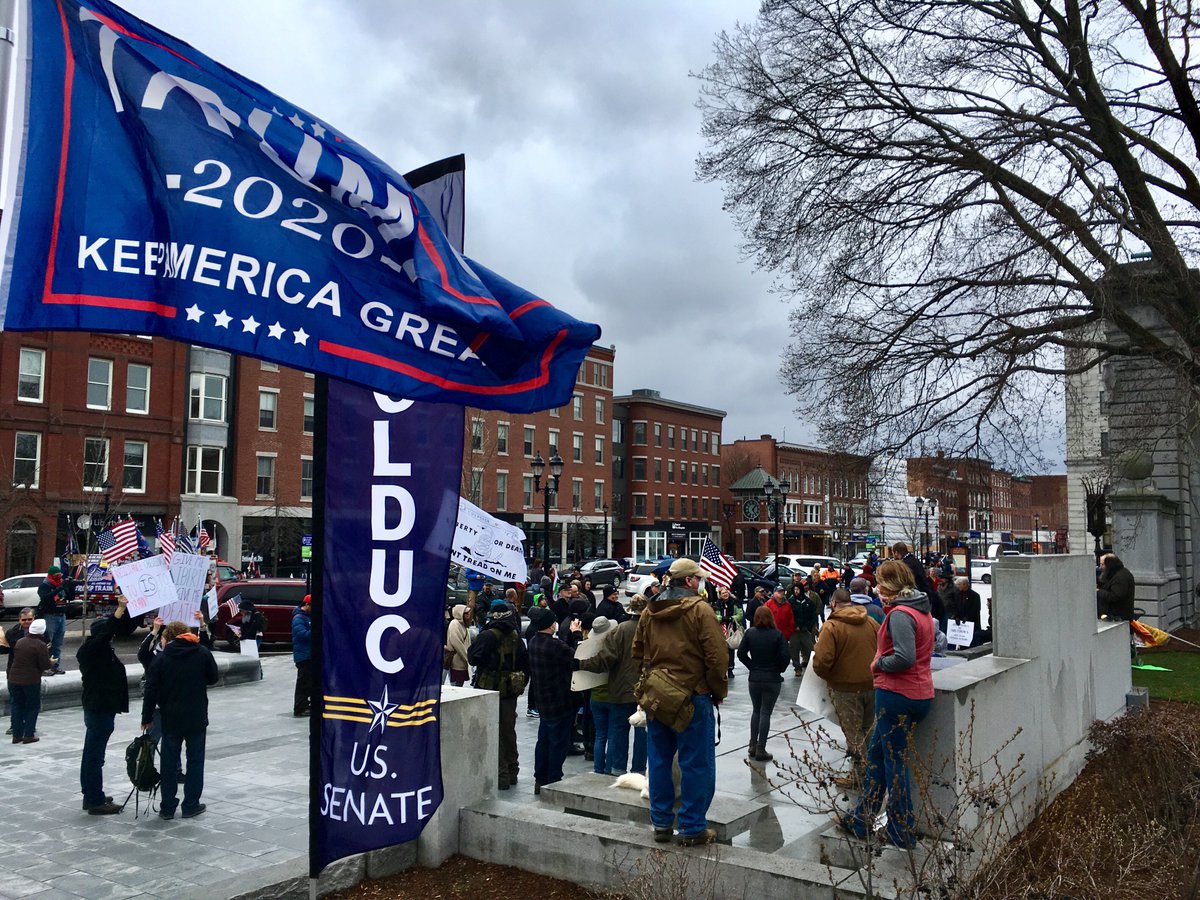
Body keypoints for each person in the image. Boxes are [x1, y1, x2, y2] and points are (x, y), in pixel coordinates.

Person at [632, 557, 728, 847]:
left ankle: (661, 822)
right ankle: (691, 827)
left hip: (657, 697)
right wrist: (717, 691)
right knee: (696, 763)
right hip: (693, 696)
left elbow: (637, 652)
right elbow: (717, 657)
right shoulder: (700, 610)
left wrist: (653, 680)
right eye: (697, 578)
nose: (700, 583)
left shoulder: (650, 610)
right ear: (688, 581)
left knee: (659, 759)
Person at [840, 559, 935, 849]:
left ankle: (900, 829)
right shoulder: (922, 610)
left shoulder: (899, 615)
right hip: (918, 693)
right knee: (878, 757)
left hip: (897, 695)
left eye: (880, 583)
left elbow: (904, 657)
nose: (876, 588)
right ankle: (861, 818)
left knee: (894, 764)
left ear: (892, 585)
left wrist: (878, 663)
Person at [142, 620, 220, 819]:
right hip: (196, 715)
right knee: (195, 761)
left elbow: (151, 689)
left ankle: (167, 807)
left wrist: (147, 716)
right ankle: (191, 805)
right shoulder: (201, 652)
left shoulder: (162, 657)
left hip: (171, 717)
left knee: (168, 763)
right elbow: (213, 678)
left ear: (168, 637)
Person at [812, 588, 880, 787]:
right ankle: (870, 773)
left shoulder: (831, 626)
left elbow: (822, 661)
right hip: (872, 684)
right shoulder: (871, 622)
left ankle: (863, 777)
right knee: (867, 730)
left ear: (833, 603)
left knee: (854, 734)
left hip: (845, 689)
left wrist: (828, 677)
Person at [576, 596, 645, 775]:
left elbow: (605, 659)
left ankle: (617, 770)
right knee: (643, 734)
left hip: (621, 690)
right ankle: (638, 771)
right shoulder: (654, 630)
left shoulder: (621, 630)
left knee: (619, 732)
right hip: (646, 691)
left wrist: (581, 664)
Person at [77, 596, 131, 815]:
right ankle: (94, 800)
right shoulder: (93, 650)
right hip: (99, 709)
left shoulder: (99, 650)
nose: (112, 638)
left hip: (103, 708)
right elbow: (107, 632)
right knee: (94, 757)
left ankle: (91, 794)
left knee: (92, 755)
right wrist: (119, 609)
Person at [468, 599, 529, 791]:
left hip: (489, 691)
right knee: (509, 731)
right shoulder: (515, 637)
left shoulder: (487, 636)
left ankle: (501, 775)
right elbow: (525, 665)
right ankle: (513, 772)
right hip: (510, 692)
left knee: (495, 732)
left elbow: (473, 658)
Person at [527, 605, 583, 792]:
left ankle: (540, 779)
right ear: (551, 625)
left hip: (544, 701)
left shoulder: (535, 642)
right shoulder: (553, 645)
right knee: (558, 742)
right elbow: (576, 657)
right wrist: (576, 635)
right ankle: (553, 779)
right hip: (560, 701)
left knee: (543, 740)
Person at [736, 605, 790, 762]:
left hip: (755, 677)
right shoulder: (777, 635)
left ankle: (752, 745)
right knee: (766, 713)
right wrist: (778, 669)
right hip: (772, 678)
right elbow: (785, 656)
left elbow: (740, 653)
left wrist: (751, 666)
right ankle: (761, 748)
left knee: (756, 711)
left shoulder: (750, 633)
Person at [9, 617, 52, 743]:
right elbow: (45, 666)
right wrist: (51, 662)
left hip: (13, 678)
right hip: (30, 680)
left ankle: (16, 735)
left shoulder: (20, 641)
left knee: (17, 705)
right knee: (32, 707)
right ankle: (28, 734)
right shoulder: (40, 645)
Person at [581, 616, 616, 774]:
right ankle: (609, 768)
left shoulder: (590, 649)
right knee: (612, 736)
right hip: (612, 696)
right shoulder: (613, 648)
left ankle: (598, 768)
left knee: (600, 736)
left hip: (595, 696)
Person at [36, 565, 71, 674]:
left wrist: (70, 587)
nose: (58, 577)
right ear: (51, 575)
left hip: (61, 615)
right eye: (56, 575)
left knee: (57, 644)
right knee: (47, 643)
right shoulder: (45, 585)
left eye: (60, 575)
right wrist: (59, 588)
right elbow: (46, 598)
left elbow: (70, 597)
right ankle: (44, 667)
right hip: (50, 616)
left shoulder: (61, 583)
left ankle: (55, 665)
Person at [786, 581, 820, 676]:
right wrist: (793, 625)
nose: (796, 591)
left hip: (805, 630)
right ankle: (797, 668)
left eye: (798, 589)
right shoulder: (790, 602)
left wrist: (808, 626)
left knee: (810, 648)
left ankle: (813, 666)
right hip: (794, 631)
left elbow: (812, 615)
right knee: (794, 650)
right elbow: (788, 616)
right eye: (795, 589)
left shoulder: (808, 601)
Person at [939, 577, 983, 646]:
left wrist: (967, 617)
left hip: (971, 623)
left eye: (959, 585)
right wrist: (957, 616)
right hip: (961, 621)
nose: (957, 586)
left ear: (965, 584)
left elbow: (975, 610)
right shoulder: (958, 594)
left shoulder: (975, 595)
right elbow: (956, 606)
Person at [764, 586, 797, 674]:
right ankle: (772, 671)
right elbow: (764, 617)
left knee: (783, 655)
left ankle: (779, 671)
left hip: (784, 635)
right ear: (774, 593)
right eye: (779, 591)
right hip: (771, 634)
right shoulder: (768, 604)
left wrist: (790, 632)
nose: (781, 593)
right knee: (771, 654)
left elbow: (791, 619)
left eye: (782, 591)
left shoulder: (787, 604)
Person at [714, 586, 743, 679]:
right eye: (723, 593)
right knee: (721, 651)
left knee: (730, 650)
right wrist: (722, 618)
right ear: (720, 595)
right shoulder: (717, 604)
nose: (725, 594)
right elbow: (715, 616)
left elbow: (740, 615)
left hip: (732, 629)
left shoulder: (735, 602)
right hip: (721, 630)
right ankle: (722, 669)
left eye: (726, 592)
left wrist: (731, 618)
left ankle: (730, 669)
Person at [1097, 553, 1135, 620]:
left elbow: (1115, 596)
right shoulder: (1115, 574)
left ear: (1110, 564)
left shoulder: (1121, 577)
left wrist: (1098, 591)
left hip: (1118, 617)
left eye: (1102, 564)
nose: (1100, 567)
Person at [292, 594, 313, 716]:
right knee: (303, 683)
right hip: (304, 655)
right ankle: (300, 706)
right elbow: (303, 635)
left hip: (308, 654)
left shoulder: (307, 617)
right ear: (306, 605)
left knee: (308, 682)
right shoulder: (299, 618)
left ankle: (304, 704)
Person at [445, 604, 473, 688]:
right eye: (466, 613)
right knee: (456, 685)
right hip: (457, 660)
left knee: (459, 683)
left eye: (468, 613)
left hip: (461, 660)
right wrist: (467, 657)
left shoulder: (463, 624)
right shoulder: (455, 624)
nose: (468, 615)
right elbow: (457, 644)